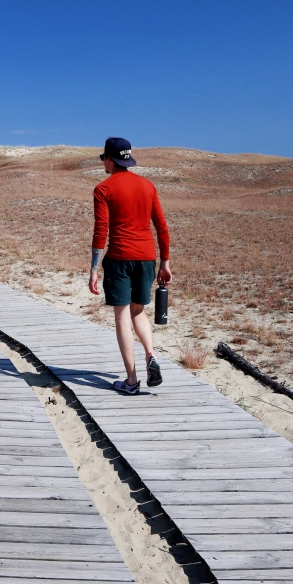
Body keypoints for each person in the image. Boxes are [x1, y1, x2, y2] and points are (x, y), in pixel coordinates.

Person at [88, 137, 172, 395]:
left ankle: (132, 381)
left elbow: (101, 230)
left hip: (120, 258)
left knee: (123, 316)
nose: (104, 163)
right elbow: (162, 226)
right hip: (147, 257)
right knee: (138, 312)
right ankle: (150, 355)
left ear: (110, 160)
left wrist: (93, 268)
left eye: (104, 158)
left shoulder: (103, 189)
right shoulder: (147, 185)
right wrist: (165, 262)